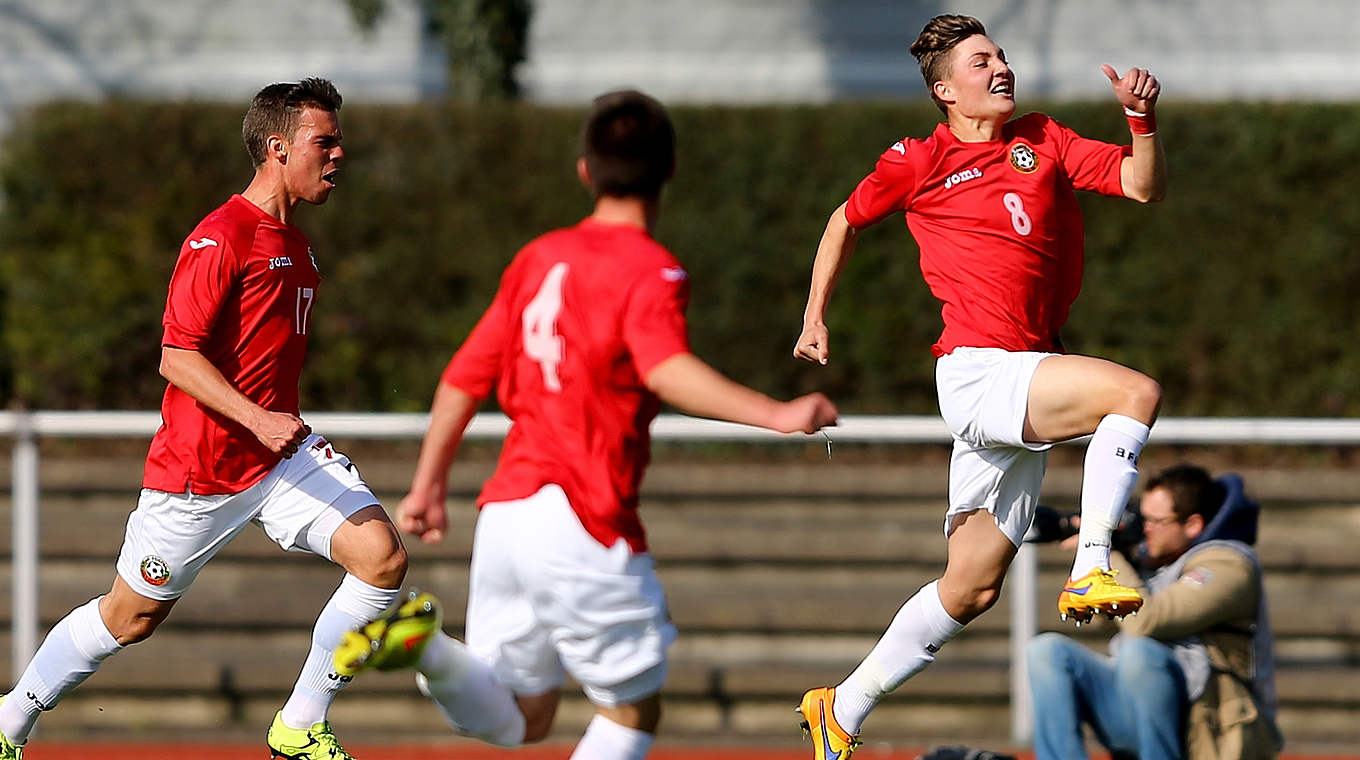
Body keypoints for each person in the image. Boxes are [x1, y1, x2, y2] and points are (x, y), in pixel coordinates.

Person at [331, 89, 838, 760]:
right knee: (633, 709)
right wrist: (776, 412)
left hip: (508, 514)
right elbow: (665, 368)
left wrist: (427, 485)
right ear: (671, 170)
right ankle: (429, 650)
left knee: (522, 716)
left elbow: (463, 377)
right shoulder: (651, 270)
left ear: (584, 171)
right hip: (583, 515)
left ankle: (430, 650)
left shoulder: (538, 257)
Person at [0, 78, 410, 760]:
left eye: (339, 140)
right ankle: (11, 717)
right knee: (129, 619)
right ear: (278, 148)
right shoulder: (221, 237)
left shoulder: (298, 246)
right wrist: (258, 417)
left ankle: (300, 723)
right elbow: (175, 356)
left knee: (382, 558)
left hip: (280, 461)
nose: (340, 154)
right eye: (325, 141)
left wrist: (274, 428)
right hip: (199, 473)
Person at [791, 13, 1167, 758]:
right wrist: (814, 317)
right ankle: (1092, 564)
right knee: (1135, 394)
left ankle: (844, 705)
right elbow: (843, 220)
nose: (999, 69)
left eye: (1000, 56)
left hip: (1024, 370)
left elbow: (1138, 184)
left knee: (971, 588)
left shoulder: (1044, 138)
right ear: (944, 92)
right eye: (978, 62)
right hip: (980, 371)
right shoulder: (917, 158)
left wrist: (1141, 119)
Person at [1027, 464, 1282, 760]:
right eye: (1142, 517)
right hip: (1141, 711)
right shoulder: (1152, 558)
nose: (1143, 529)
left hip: (1210, 725)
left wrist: (1107, 551)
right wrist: (1099, 562)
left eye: (1155, 521)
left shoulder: (1230, 564)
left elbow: (1145, 623)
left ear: (1193, 525)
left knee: (1139, 653)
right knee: (1046, 651)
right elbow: (1101, 624)